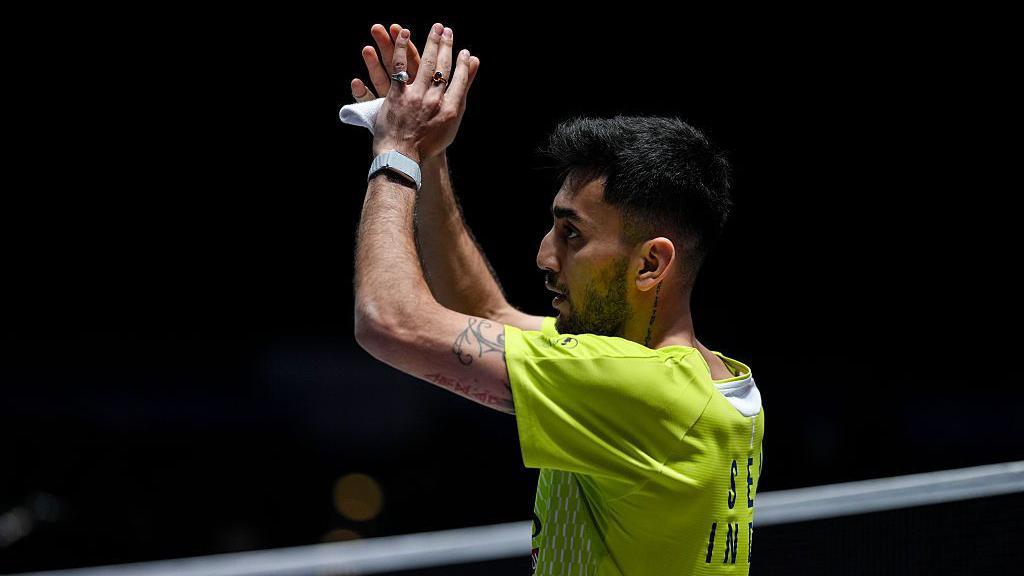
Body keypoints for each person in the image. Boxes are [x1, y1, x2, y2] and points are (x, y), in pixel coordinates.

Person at [348, 22, 764, 576]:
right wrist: (431, 156)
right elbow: (488, 315)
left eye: (572, 234)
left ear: (650, 264)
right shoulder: (686, 378)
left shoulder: (642, 390)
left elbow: (388, 322)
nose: (544, 256)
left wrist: (395, 152)